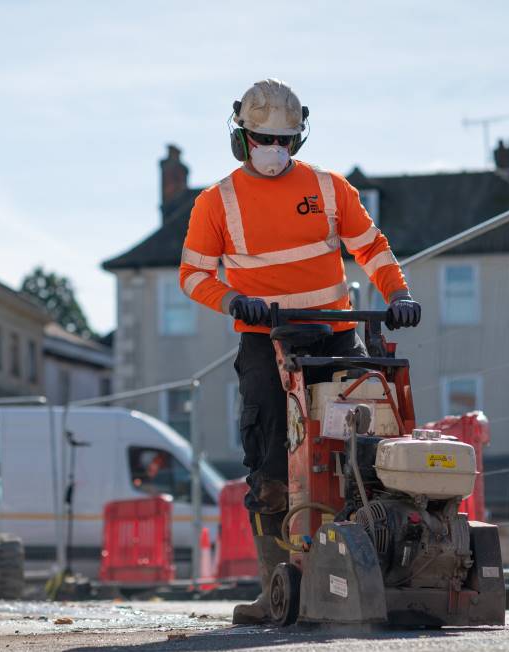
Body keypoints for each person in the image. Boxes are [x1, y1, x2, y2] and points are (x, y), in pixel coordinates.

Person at [178, 79, 420, 624]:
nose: (274, 150)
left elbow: (371, 247)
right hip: (265, 342)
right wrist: (235, 298)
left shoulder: (331, 189)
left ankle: (372, 565)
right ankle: (275, 589)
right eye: (263, 138)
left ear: (299, 137)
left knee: (361, 450)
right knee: (268, 461)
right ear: (242, 137)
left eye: (285, 139)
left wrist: (398, 294)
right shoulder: (217, 202)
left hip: (336, 335)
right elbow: (192, 275)